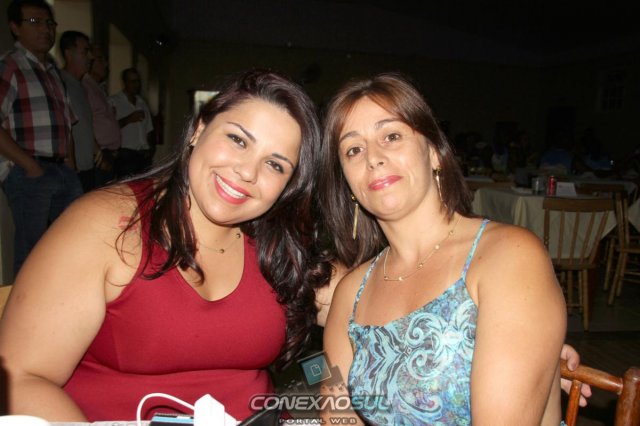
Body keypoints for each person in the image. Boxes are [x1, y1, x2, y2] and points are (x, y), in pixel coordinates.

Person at [0, 70, 333, 422]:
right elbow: (21, 378)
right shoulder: (105, 226)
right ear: (199, 129)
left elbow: (362, 296)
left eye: (275, 164)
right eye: (237, 140)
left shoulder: (282, 244)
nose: (248, 172)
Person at [319, 73, 567, 425]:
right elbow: (337, 417)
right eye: (353, 150)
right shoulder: (351, 293)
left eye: (391, 136)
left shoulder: (508, 257)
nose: (373, 158)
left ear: (434, 153)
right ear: (347, 184)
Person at [0, 0, 83, 274]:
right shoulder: (10, 65)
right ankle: (23, 303)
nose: (45, 29)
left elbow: (66, 123)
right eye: (35, 22)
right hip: (30, 173)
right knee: (31, 254)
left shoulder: (52, 71)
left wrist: (70, 165)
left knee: (72, 245)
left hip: (62, 171)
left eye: (49, 23)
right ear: (15, 27)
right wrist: (30, 166)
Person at [59, 30, 94, 192]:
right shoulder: (60, 82)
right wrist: (70, 163)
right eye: (85, 51)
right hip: (73, 170)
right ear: (69, 54)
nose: (90, 57)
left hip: (87, 167)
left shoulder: (79, 86)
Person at [82, 44, 121, 188]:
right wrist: (98, 150)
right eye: (100, 59)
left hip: (108, 153)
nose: (105, 64)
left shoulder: (99, 88)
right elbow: (84, 123)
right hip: (99, 155)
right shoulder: (85, 86)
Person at [109, 67, 155, 178]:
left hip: (143, 155)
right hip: (126, 155)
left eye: (138, 81)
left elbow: (149, 129)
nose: (136, 85)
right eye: (132, 81)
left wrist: (151, 150)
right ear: (125, 82)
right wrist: (129, 119)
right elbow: (109, 129)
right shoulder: (114, 101)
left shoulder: (142, 103)